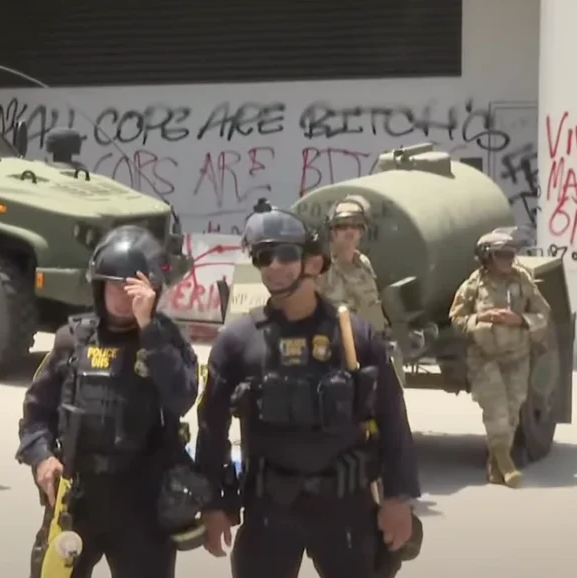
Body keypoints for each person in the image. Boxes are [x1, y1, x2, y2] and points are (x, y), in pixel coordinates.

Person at [195, 198, 421, 578]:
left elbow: (392, 418)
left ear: (314, 263)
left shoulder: (355, 336)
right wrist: (213, 504)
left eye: (285, 255)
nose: (274, 266)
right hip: (269, 511)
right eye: (264, 258)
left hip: (346, 509)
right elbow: (211, 427)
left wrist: (398, 498)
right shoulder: (238, 341)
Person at [15, 225, 202, 578]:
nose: (121, 296)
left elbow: (182, 397)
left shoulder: (166, 340)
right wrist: (41, 458)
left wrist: (149, 330)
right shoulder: (72, 340)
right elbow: (36, 413)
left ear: (151, 289)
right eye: (113, 285)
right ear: (98, 286)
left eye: (131, 287)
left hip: (141, 502)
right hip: (77, 498)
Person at [448, 227, 551, 488]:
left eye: (510, 254)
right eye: (501, 255)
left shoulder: (522, 280)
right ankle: (506, 465)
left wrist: (520, 320)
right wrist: (480, 319)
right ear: (487, 258)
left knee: (513, 411)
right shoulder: (473, 285)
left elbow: (543, 313)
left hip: (517, 356)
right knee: (496, 410)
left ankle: (494, 467)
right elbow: (457, 319)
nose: (507, 259)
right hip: (485, 358)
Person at [317, 195, 407, 388]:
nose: (350, 231)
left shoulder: (363, 263)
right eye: (342, 225)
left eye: (356, 225)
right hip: (340, 353)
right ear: (332, 231)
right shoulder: (321, 268)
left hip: (374, 347)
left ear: (362, 230)